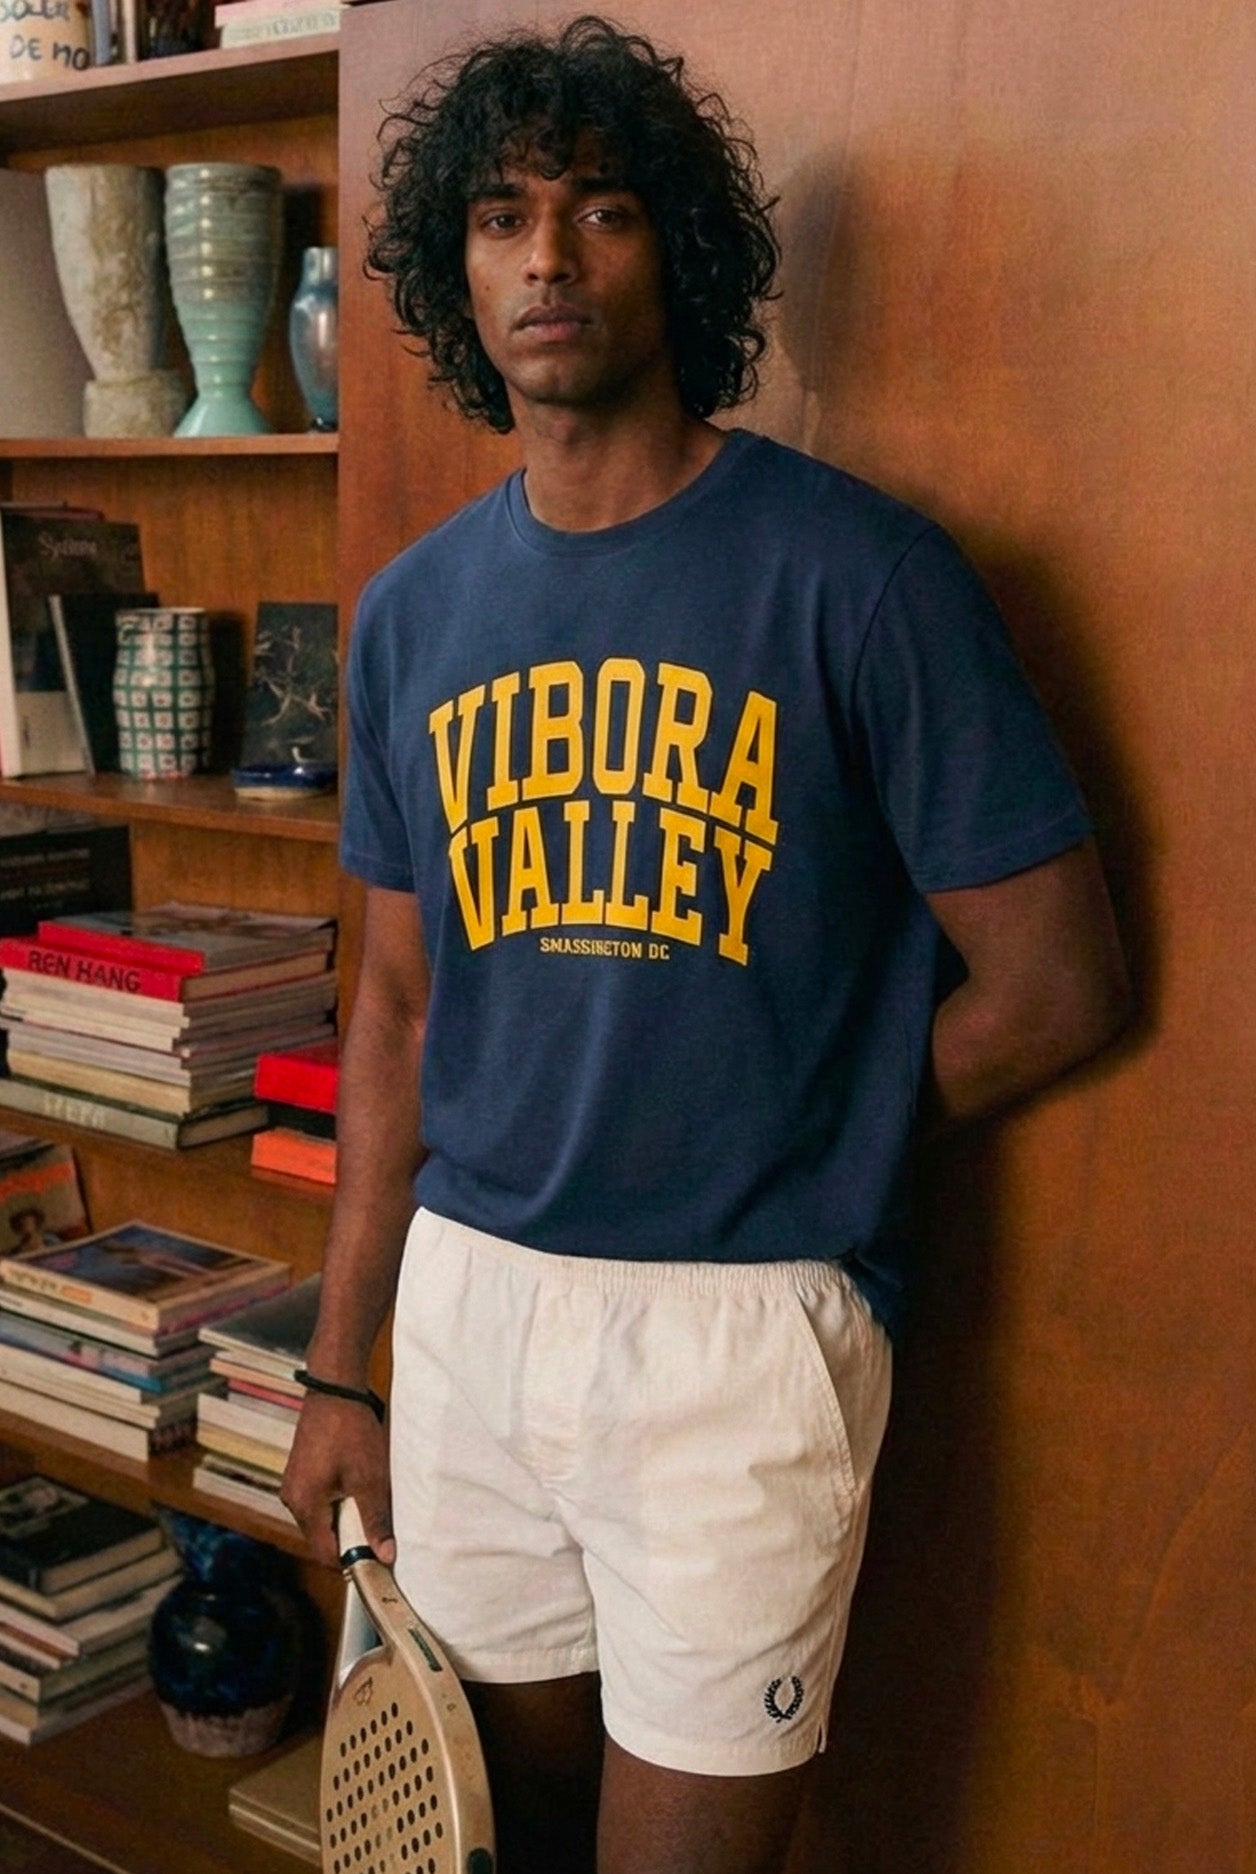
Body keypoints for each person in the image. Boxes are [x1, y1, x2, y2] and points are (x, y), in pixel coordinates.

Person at [280, 16, 1130, 1874]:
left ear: (682, 248)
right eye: (501, 219)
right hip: (472, 1308)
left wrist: (805, 1124)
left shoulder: (860, 576)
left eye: (599, 210)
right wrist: (338, 1373)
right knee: (521, 1829)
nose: (549, 259)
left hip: (744, 1341)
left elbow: (1060, 984)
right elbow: (399, 1013)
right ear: (453, 268)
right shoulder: (415, 616)